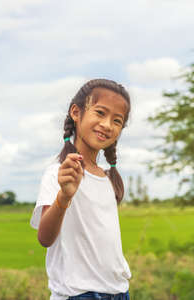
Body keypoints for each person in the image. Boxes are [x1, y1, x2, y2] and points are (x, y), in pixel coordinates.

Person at [30, 79, 132, 300]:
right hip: (79, 295)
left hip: (118, 292)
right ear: (76, 112)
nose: (107, 125)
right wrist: (64, 196)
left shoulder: (107, 178)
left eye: (117, 120)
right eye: (100, 113)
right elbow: (45, 238)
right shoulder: (58, 173)